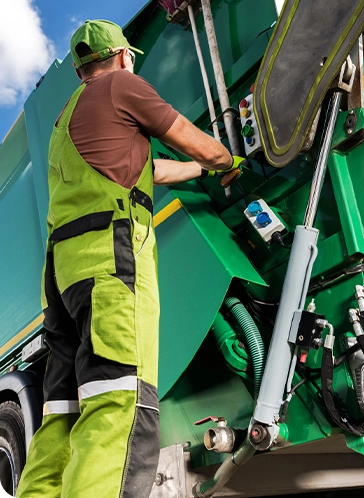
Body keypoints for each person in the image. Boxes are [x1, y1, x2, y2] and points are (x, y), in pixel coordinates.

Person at [16, 19, 243, 498]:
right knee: (120, 407)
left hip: (63, 280)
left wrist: (199, 169)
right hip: (111, 265)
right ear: (121, 56)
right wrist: (227, 160)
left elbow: (152, 168)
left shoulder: (65, 120)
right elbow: (183, 134)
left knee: (63, 419)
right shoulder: (123, 85)